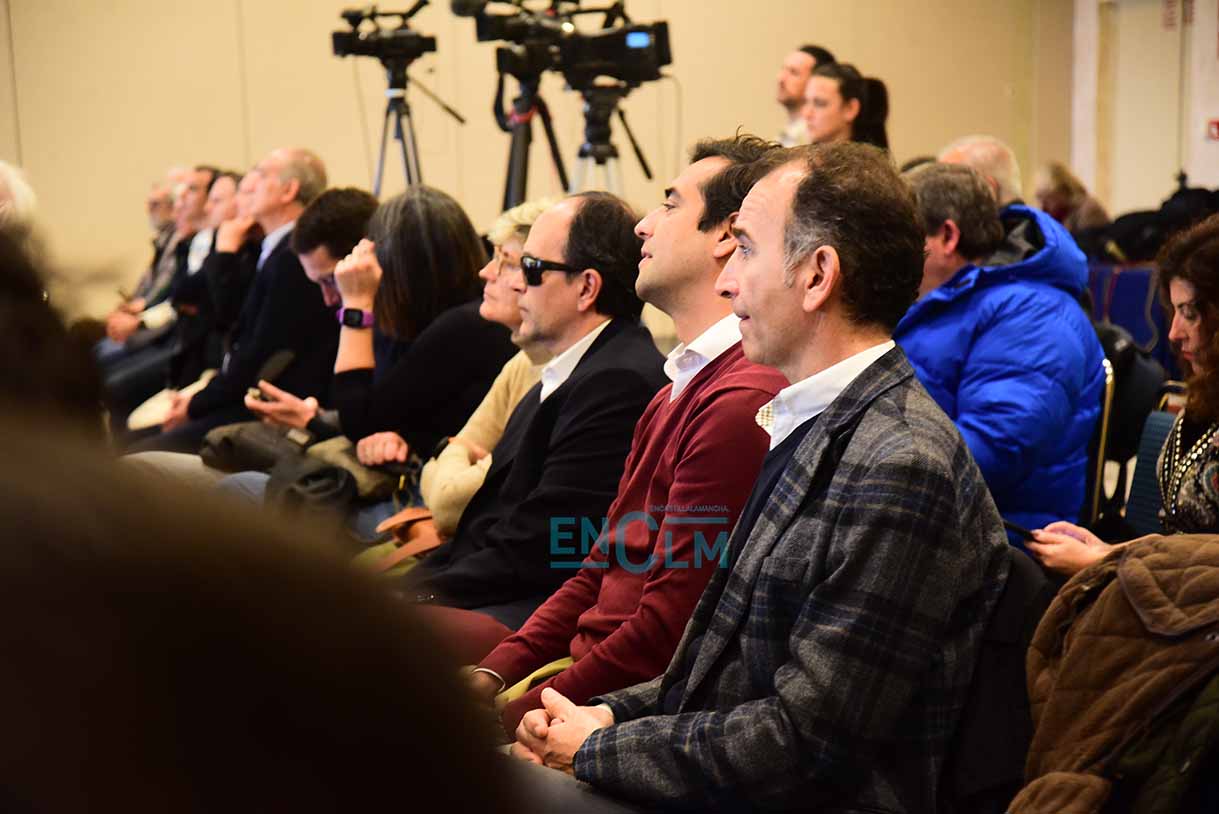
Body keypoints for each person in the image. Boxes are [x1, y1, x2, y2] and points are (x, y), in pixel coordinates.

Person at [509, 143, 1010, 812]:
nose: (725, 282)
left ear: (816, 275)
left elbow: (807, 744)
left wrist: (598, 748)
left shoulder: (901, 464)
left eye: (744, 249)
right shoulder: (810, 422)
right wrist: (605, 715)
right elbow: (711, 672)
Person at [0, 419, 523, 813]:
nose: (498, 285)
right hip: (405, 513)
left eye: (524, 267)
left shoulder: (565, 383)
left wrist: (447, 454)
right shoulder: (528, 372)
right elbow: (382, 417)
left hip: (440, 541)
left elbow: (495, 522)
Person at [448, 136, 789, 733]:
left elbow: (664, 632)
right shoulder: (674, 388)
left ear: (726, 235)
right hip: (577, 677)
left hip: (618, 711)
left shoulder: (738, 399)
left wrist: (509, 717)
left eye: (670, 204)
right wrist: (494, 673)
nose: (643, 226)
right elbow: (598, 567)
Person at [402, 192, 668, 629]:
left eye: (531, 268)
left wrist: (412, 595)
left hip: (530, 612)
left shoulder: (615, 383)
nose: (517, 285)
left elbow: (539, 550)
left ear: (586, 288)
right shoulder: (571, 367)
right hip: (495, 589)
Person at [895, 162, 1105, 539]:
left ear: (947, 237)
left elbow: (992, 451)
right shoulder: (940, 300)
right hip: (931, 520)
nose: (892, 252)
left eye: (905, 237)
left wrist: (866, 465)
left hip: (999, 539)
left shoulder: (1035, 314)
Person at [1030, 214, 1219, 575]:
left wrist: (1103, 561)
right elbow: (1177, 538)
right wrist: (1109, 549)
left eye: (1190, 313)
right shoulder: (1204, 398)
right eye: (1175, 312)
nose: (1174, 333)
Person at [128, 147, 336, 453]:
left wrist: (196, 405)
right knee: (138, 440)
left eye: (260, 175)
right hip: (238, 388)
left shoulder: (293, 256)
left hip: (266, 407)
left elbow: (254, 352)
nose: (247, 189)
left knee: (138, 453)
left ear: (288, 190)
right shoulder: (271, 248)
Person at [419, 197, 558, 538]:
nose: (486, 272)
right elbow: (437, 483)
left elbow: (448, 505)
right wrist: (462, 455)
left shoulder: (565, 374)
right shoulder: (522, 362)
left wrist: (456, 452)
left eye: (506, 262)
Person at [802, 62, 889, 150]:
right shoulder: (805, 156)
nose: (806, 114)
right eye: (805, 101)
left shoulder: (866, 158)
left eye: (819, 103)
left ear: (850, 109)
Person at [775, 45, 835, 147]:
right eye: (783, 69)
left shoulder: (817, 139)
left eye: (793, 72)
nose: (780, 79)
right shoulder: (785, 136)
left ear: (816, 81)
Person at [1033, 160, 1112, 235]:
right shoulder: (1052, 218)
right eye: (1040, 199)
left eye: (1048, 199)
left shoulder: (1089, 212)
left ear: (1063, 192)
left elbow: (1086, 243)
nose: (1043, 207)